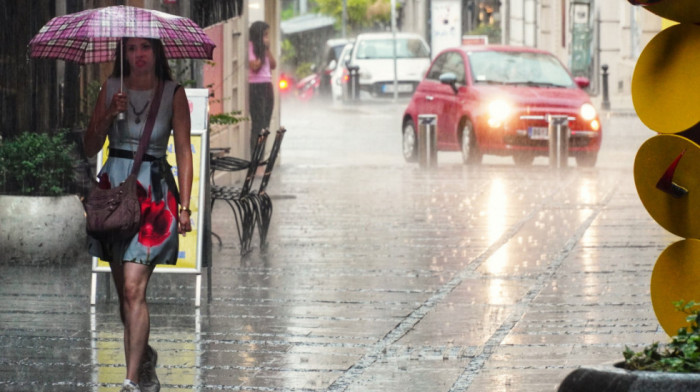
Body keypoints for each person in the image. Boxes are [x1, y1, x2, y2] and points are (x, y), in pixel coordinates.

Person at [84, 37, 193, 392]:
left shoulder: (173, 93)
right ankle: (144, 358)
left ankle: (130, 380)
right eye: (130, 49)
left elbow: (185, 151)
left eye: (145, 47)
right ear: (122, 54)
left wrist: (187, 206)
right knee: (123, 292)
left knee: (134, 288)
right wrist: (107, 113)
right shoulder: (110, 87)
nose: (138, 55)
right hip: (115, 193)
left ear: (157, 52)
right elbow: (89, 146)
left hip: (154, 194)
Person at [248, 20, 277, 157]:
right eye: (265, 35)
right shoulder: (251, 47)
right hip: (256, 86)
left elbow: (273, 64)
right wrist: (260, 52)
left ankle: (262, 154)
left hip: (267, 84)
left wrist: (267, 49)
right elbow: (254, 66)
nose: (267, 38)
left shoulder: (265, 49)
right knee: (258, 121)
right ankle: (255, 154)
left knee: (266, 121)